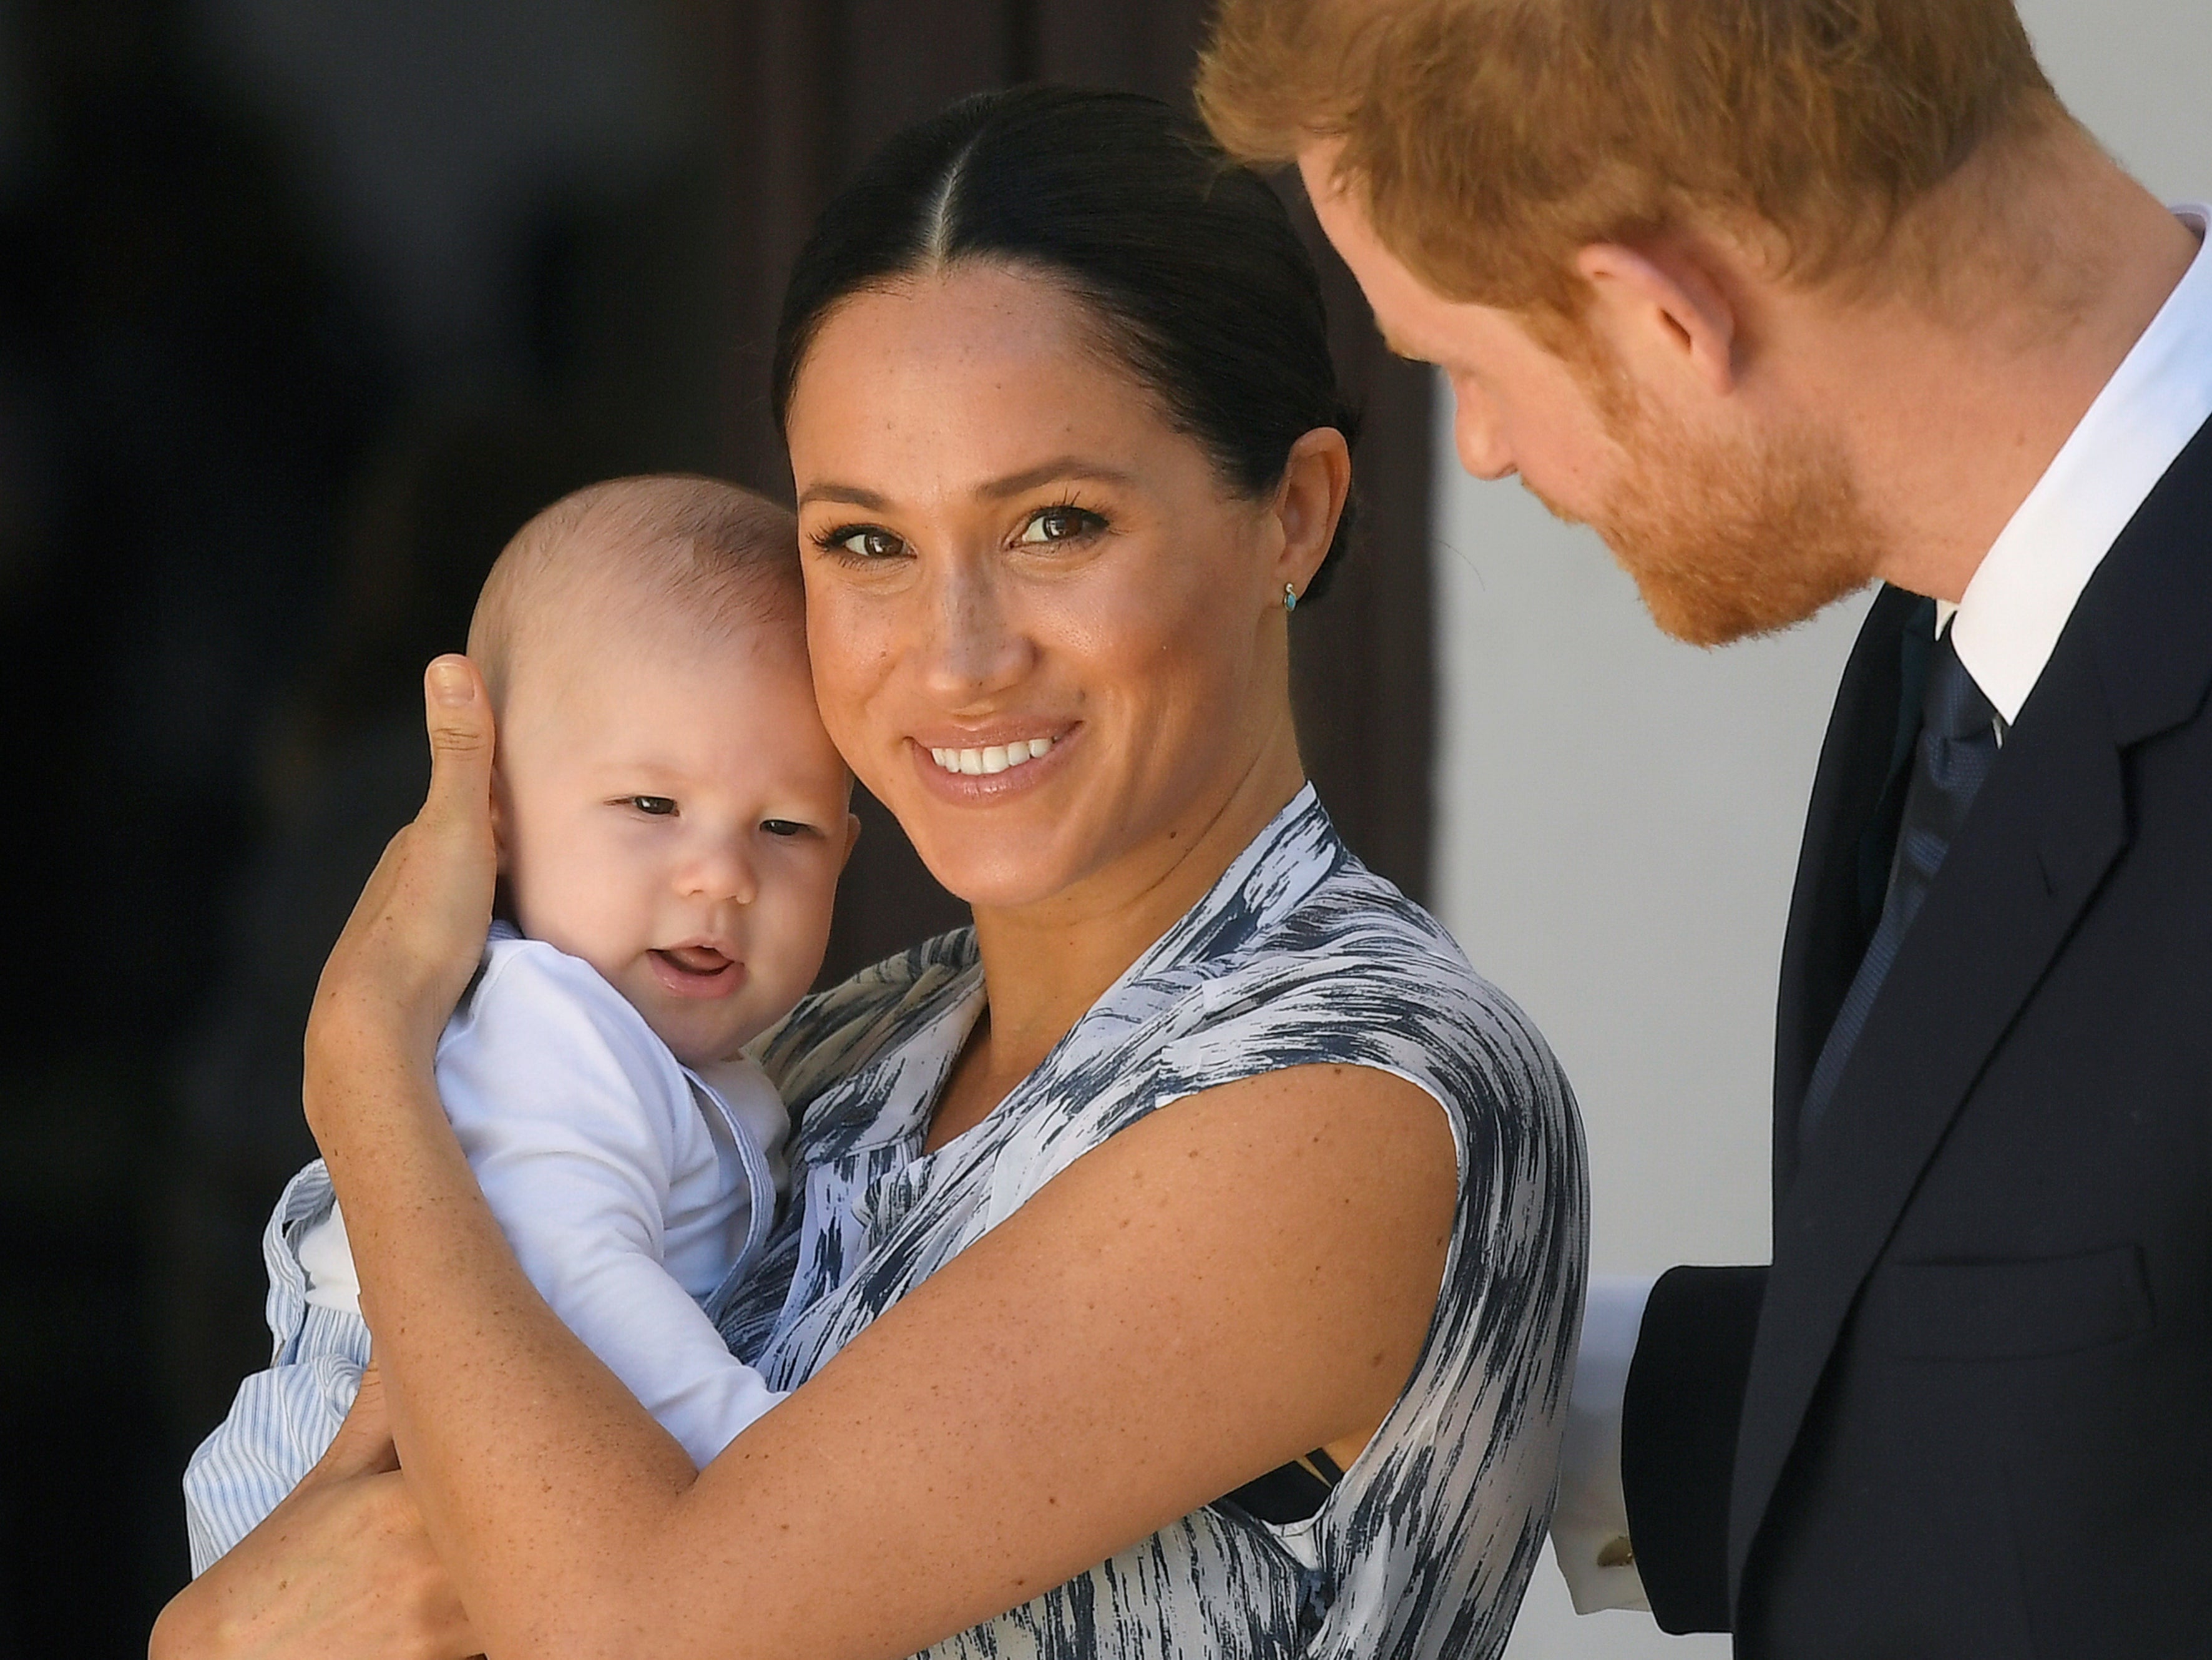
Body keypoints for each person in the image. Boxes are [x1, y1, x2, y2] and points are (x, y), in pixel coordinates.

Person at [150, 87, 1586, 1660]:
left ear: (1291, 516)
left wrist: (366, 1063)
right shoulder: (840, 1054)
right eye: (865, 543)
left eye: (1054, 523)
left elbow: (638, 1629)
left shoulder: (1351, 1091)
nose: (955, 659)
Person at [1198, 0, 2212, 1654]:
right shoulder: (1975, 612)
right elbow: (2112, 1383)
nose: (1488, 448)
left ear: (1662, 316)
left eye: (1461, 364)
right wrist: (1454, 1360)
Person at [180, 475, 858, 1572]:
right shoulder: (550, 1026)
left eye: (787, 829)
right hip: (359, 1491)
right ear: (491, 813)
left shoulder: (703, 1059)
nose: (722, 875)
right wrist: (759, 1461)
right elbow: (577, 1277)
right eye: (652, 806)